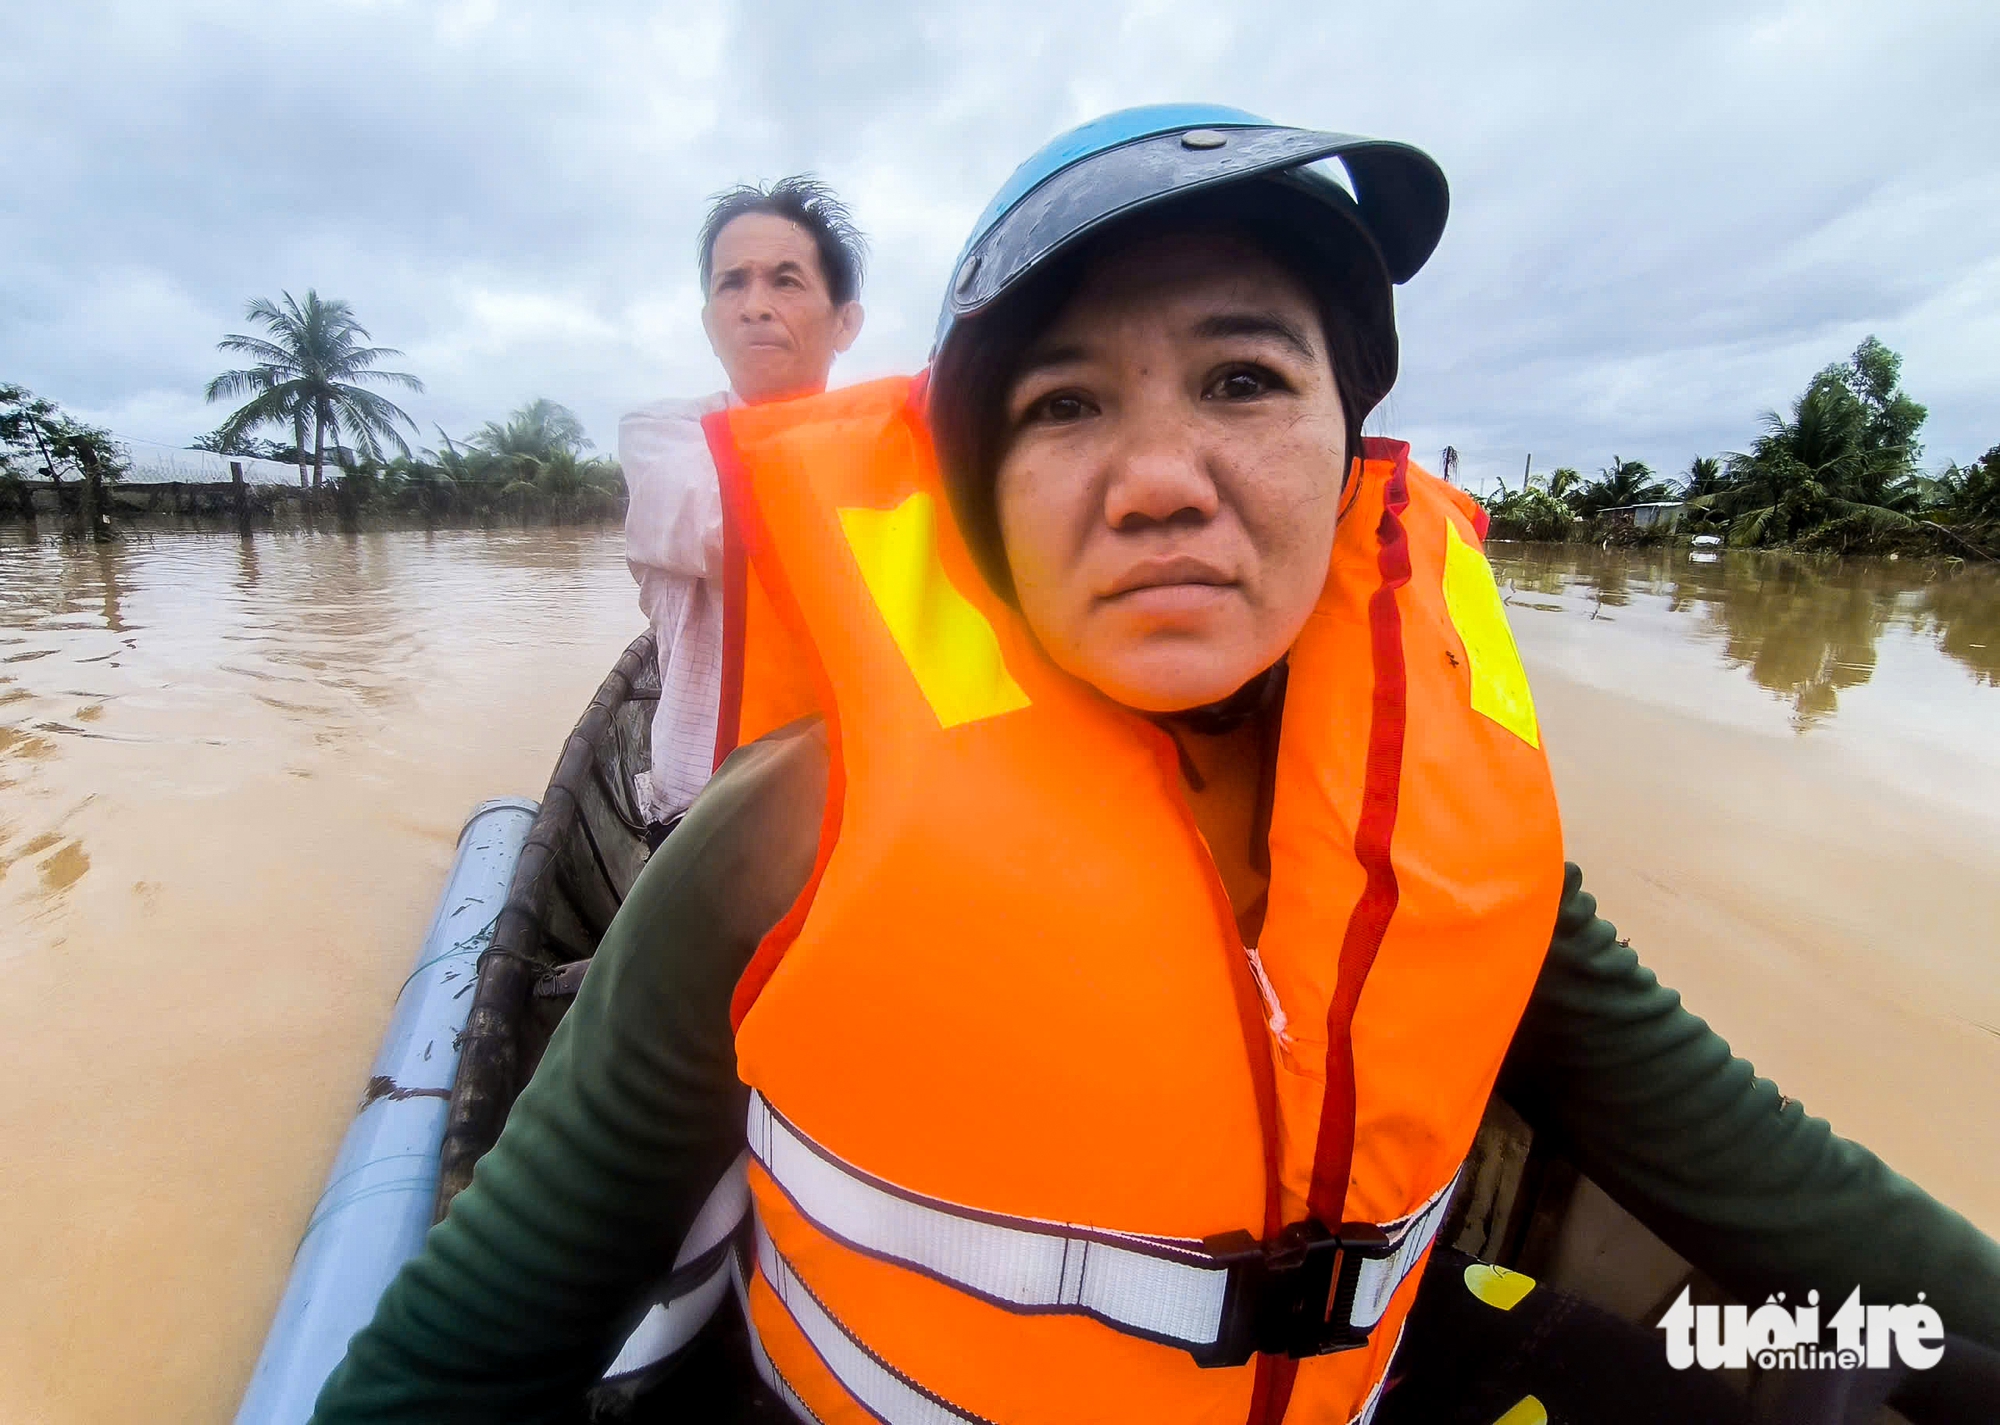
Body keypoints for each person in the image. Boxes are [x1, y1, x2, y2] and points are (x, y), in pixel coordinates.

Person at [310, 107, 2000, 1424]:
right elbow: (470, 1355)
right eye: (1063, 408)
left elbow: (1791, 1201)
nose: (1160, 480)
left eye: (1245, 379)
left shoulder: (1468, 858)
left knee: (1791, 1366)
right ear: (982, 504)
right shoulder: (785, 836)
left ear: (1354, 462)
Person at [621, 176, 865, 839]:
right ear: (708, 319)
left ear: (846, 320)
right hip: (701, 816)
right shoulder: (662, 437)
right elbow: (723, 526)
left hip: (856, 804)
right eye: (733, 283)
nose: (755, 305)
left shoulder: (884, 451)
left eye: (786, 281)